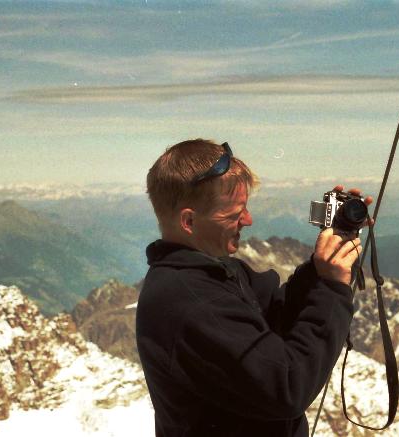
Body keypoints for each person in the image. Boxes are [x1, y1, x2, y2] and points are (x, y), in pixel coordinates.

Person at [136, 139, 373, 437]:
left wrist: (320, 268)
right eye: (236, 213)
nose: (248, 220)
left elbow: (277, 316)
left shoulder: (212, 273)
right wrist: (332, 287)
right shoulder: (192, 302)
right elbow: (287, 386)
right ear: (189, 221)